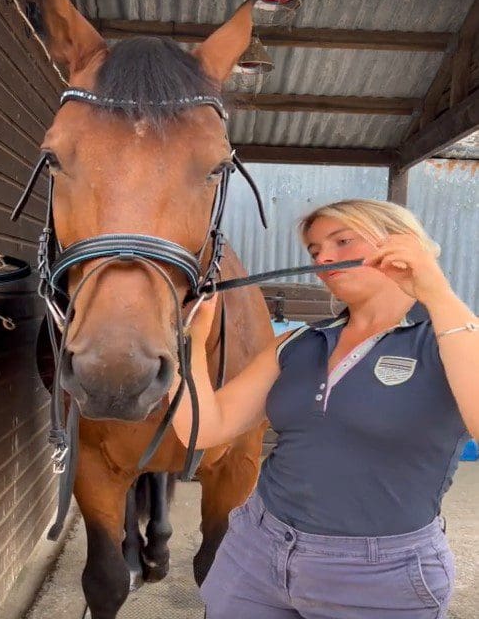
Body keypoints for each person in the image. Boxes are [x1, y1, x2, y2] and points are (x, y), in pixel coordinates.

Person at [170, 199, 479, 619]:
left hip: (380, 575)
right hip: (256, 550)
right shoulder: (298, 342)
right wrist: (187, 345)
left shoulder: (450, 338)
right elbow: (205, 429)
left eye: (342, 240)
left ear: (402, 242)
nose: (324, 257)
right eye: (315, 250)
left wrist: (435, 290)